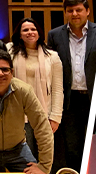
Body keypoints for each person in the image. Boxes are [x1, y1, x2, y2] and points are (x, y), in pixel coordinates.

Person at [46, 0, 96, 172]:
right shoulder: (54, 35)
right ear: (65, 13)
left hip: (93, 98)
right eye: (70, 10)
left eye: (79, 10)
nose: (75, 14)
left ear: (88, 11)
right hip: (69, 101)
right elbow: (51, 69)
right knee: (72, 147)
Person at [6, 18, 63, 161]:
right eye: (25, 30)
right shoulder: (9, 51)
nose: (30, 32)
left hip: (43, 113)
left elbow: (57, 89)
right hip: (17, 114)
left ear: (39, 33)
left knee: (44, 159)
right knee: (23, 159)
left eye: (33, 29)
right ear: (19, 34)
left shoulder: (52, 56)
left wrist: (55, 117)